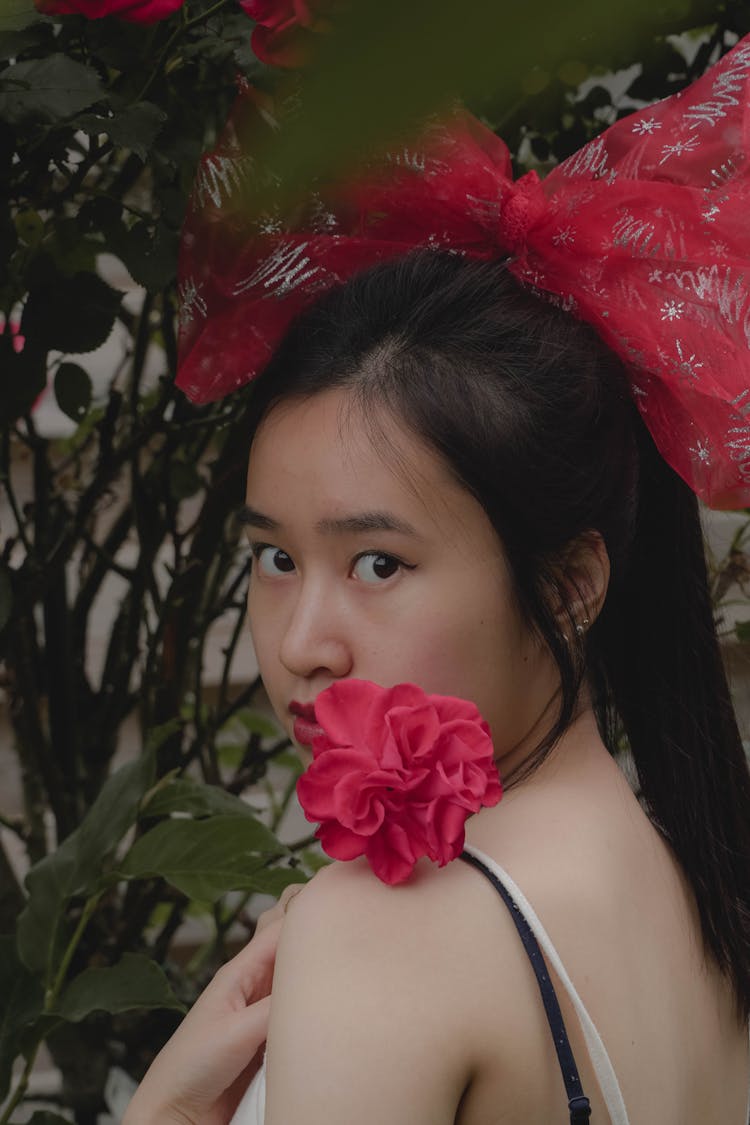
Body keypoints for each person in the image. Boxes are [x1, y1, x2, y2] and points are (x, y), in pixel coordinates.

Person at [126, 35, 750, 1125]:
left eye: (380, 562)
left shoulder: (388, 931)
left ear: (567, 586)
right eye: (275, 557)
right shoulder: (697, 895)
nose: (304, 639)